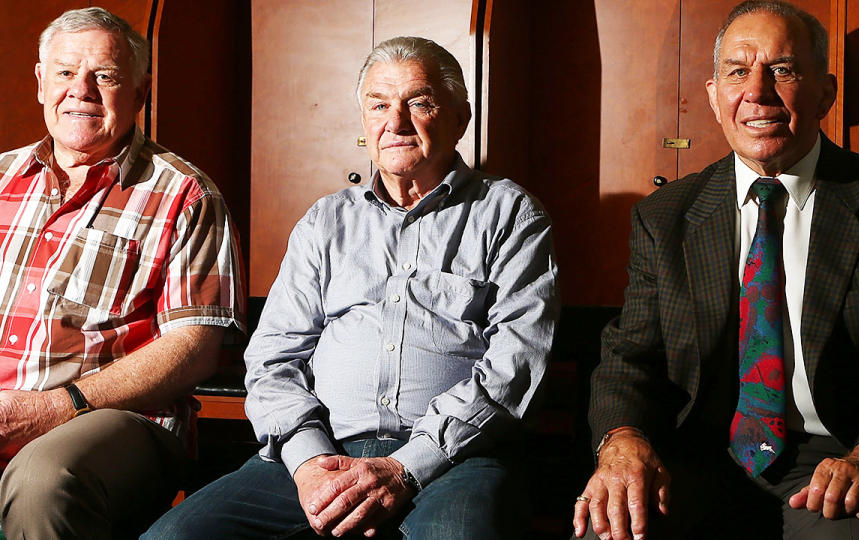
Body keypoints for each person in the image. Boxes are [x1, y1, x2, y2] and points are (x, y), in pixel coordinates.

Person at [143, 36, 559, 539]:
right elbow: (272, 358)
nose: (396, 122)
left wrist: (407, 466)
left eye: (420, 103)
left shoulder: (510, 213)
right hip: (321, 451)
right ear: (364, 120)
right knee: (173, 537)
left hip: (454, 458)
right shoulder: (326, 221)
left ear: (460, 118)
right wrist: (310, 461)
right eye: (379, 105)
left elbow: (514, 366)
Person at [573, 1, 859, 539]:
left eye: (783, 69)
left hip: (838, 457)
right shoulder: (666, 216)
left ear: (826, 91)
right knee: (606, 532)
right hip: (697, 457)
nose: (757, 91)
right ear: (714, 97)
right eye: (737, 71)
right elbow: (630, 354)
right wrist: (621, 440)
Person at [0, 7, 246, 538]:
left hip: (110, 419)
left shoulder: (185, 194)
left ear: (139, 93)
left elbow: (196, 347)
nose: (81, 90)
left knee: (45, 478)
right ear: (42, 83)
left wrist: (56, 407)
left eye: (104, 76)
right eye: (65, 73)